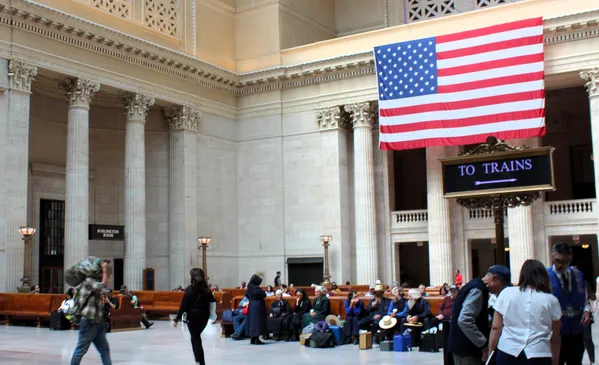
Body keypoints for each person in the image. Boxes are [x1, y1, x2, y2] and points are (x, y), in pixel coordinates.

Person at [489, 260, 562, 365]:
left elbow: (496, 327)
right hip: (539, 353)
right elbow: (555, 335)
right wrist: (555, 360)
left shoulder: (507, 293)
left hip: (508, 350)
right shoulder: (551, 300)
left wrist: (491, 351)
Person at [448, 265, 511, 365]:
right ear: (495, 279)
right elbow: (464, 320)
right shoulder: (478, 290)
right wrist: (484, 344)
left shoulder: (474, 285)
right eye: (502, 286)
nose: (501, 290)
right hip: (467, 350)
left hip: (463, 348)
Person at [548, 243, 591, 365]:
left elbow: (585, 298)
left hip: (576, 330)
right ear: (552, 257)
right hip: (557, 332)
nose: (559, 265)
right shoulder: (545, 276)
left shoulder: (578, 275)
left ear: (570, 260)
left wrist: (587, 311)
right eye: (556, 260)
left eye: (563, 262)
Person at [70, 257, 113, 365]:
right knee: (80, 350)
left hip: (98, 322)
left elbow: (105, 286)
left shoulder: (94, 281)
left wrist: (105, 271)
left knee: (104, 350)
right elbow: (104, 286)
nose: (108, 274)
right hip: (89, 321)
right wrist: (104, 270)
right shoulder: (89, 281)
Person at [173, 268, 216, 365]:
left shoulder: (189, 289)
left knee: (195, 338)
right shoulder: (207, 290)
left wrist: (177, 318)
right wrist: (212, 316)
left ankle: (200, 361)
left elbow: (184, 305)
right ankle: (198, 359)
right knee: (195, 337)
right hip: (204, 316)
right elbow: (212, 302)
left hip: (192, 317)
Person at [245, 274, 268, 345]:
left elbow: (246, 294)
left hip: (252, 304)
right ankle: (257, 339)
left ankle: (253, 338)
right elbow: (264, 294)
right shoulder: (256, 289)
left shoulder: (249, 287)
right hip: (258, 305)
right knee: (258, 321)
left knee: (252, 321)